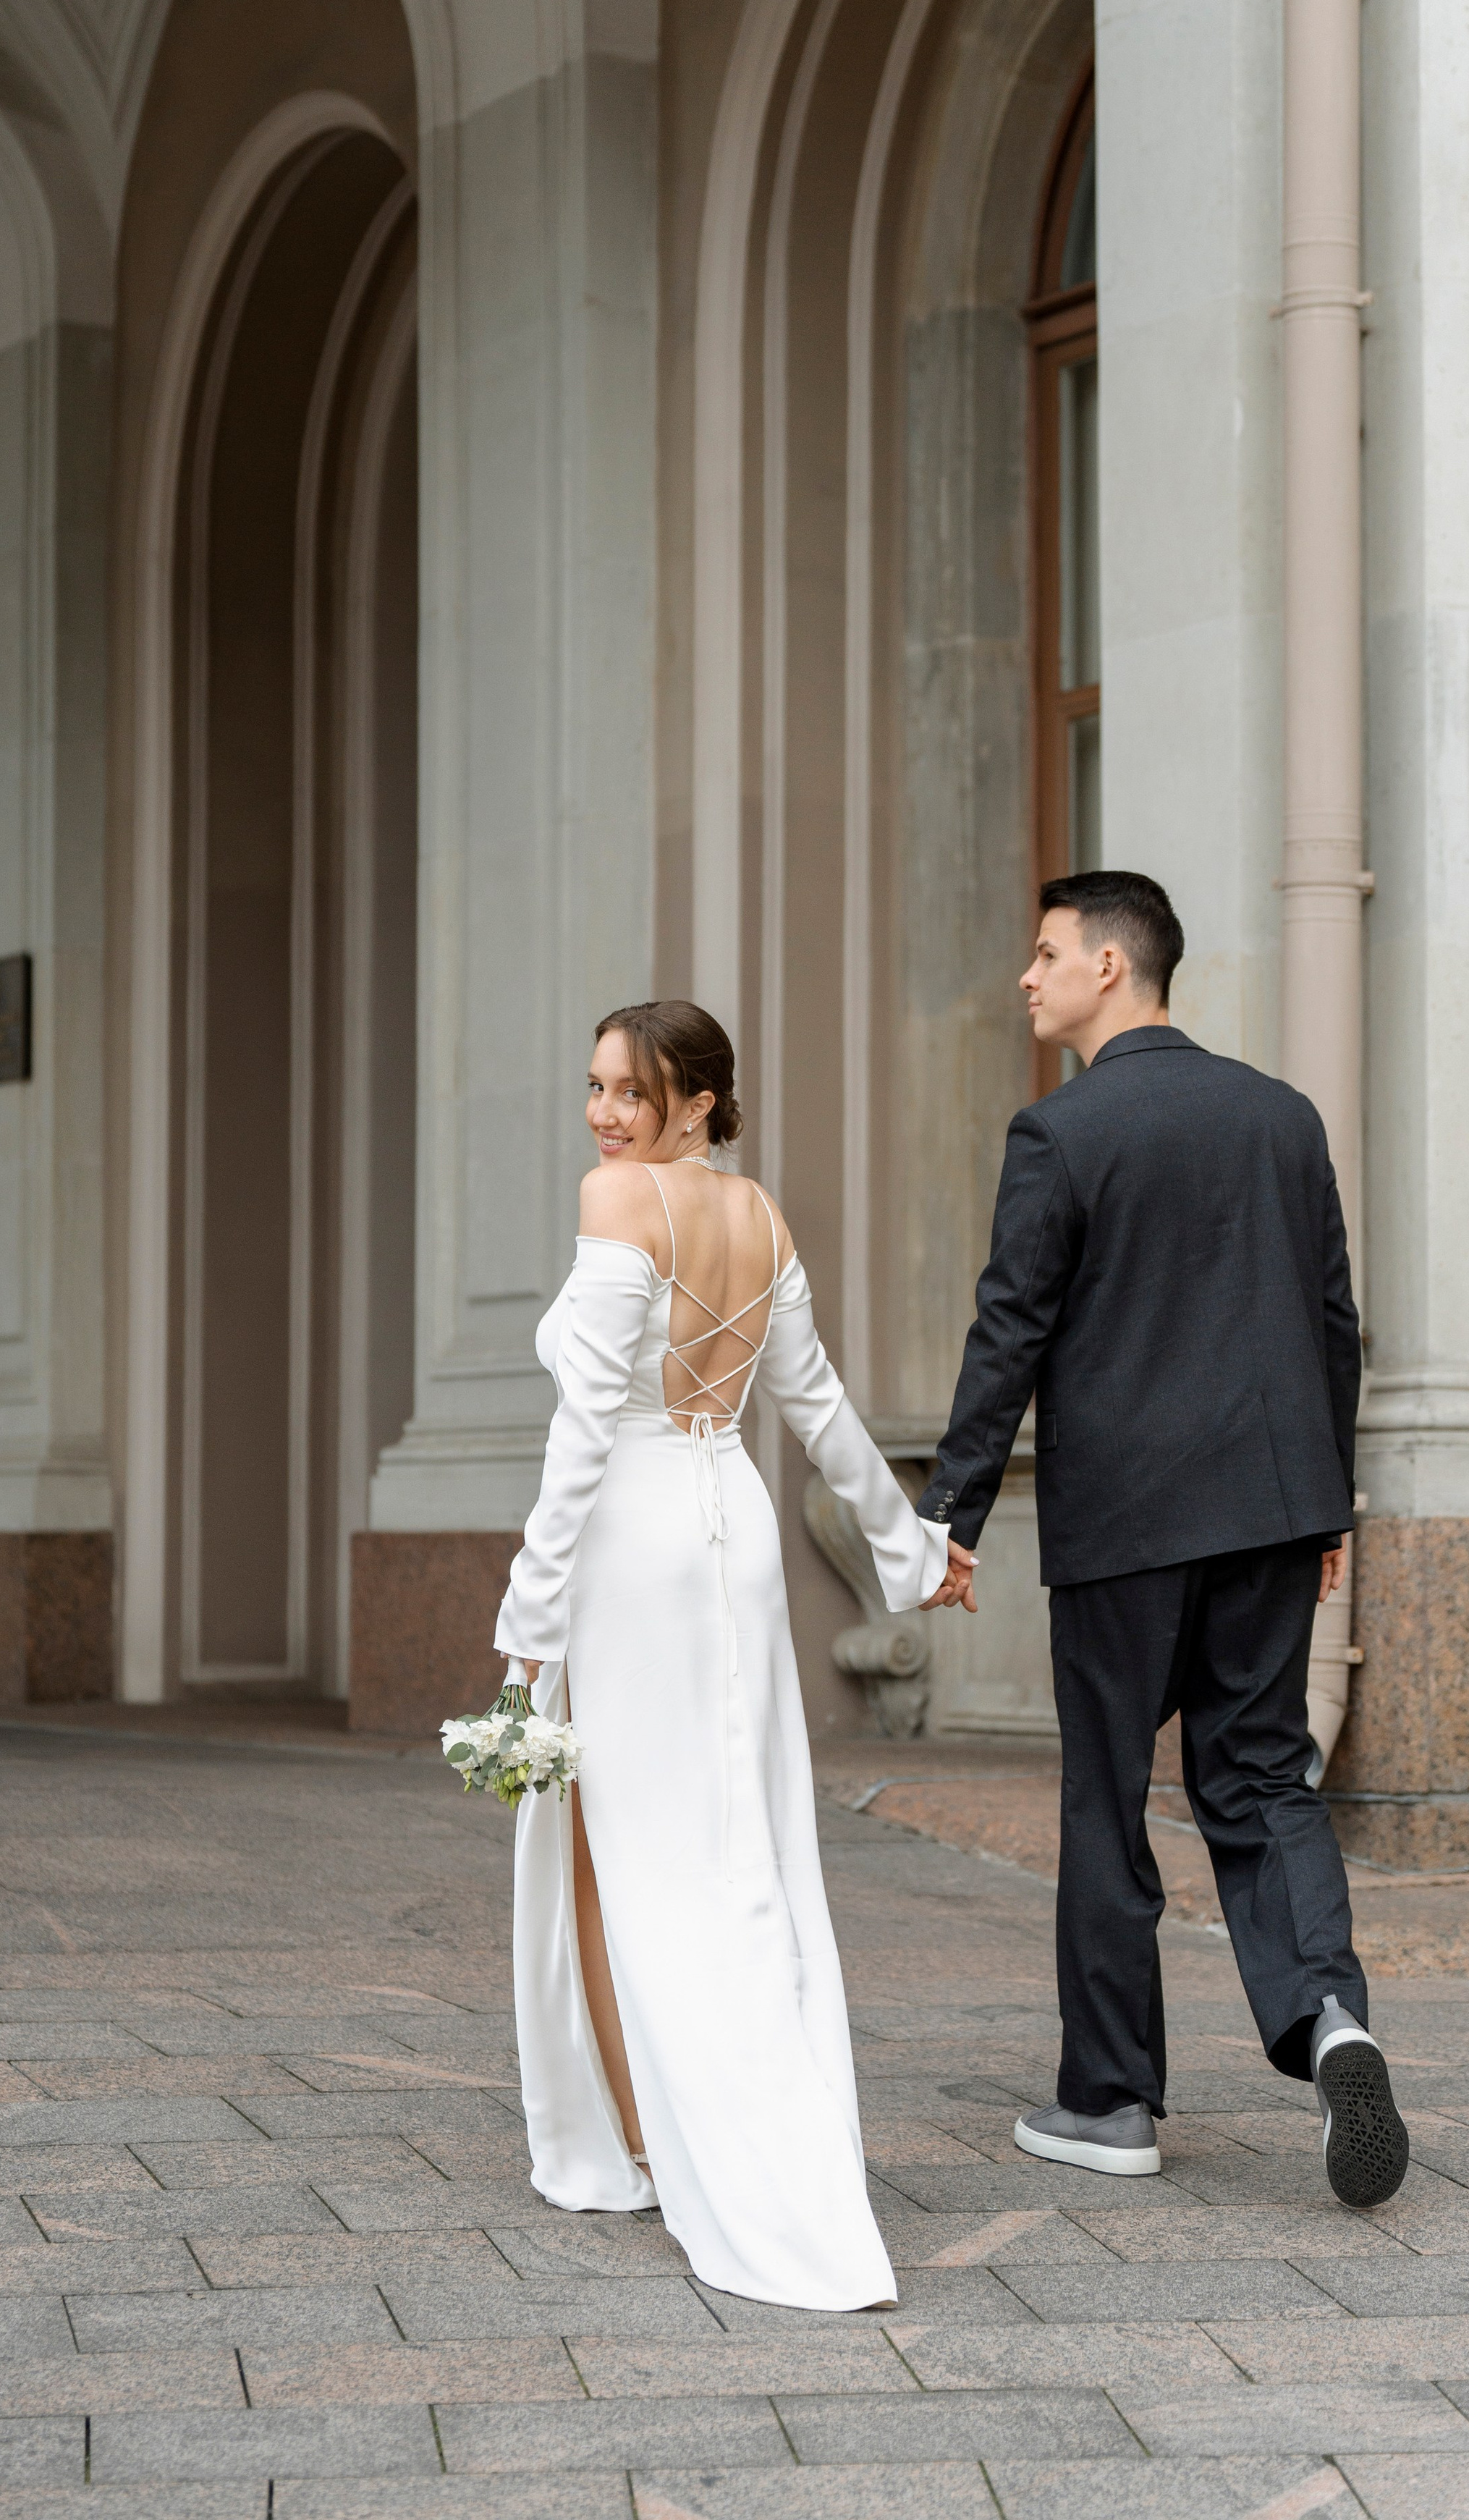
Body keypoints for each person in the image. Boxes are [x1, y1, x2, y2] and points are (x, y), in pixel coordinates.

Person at [917, 871, 1409, 2210]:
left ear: (1114, 971)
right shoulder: (1282, 1116)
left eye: (1045, 953)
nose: (1027, 977)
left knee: (1107, 1797)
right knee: (1261, 1779)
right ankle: (1329, 2021)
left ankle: (1111, 2099)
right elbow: (1333, 1326)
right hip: (1271, 1504)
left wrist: (948, 1516)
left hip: (1126, 1525)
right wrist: (1330, 1508)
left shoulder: (1060, 1133)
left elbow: (1009, 1330)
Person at [495, 999, 973, 2308]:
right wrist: (915, 1550)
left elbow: (585, 1431)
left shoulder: (616, 1204)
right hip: (734, 1536)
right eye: (593, 1086)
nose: (604, 1115)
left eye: (632, 1093)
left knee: (612, 1847)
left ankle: (650, 2143)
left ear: (698, 1101)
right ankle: (697, 2127)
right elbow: (812, 1405)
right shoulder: (759, 1216)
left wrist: (527, 1619)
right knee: (732, 1846)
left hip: (631, 1550)